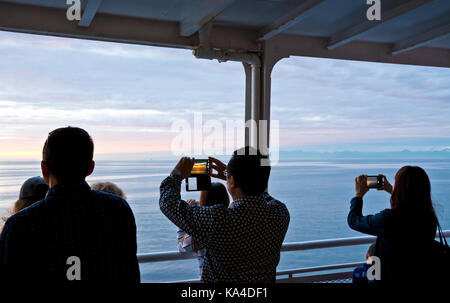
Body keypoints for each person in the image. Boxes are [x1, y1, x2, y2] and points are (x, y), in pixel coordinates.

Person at [0, 127, 140, 282]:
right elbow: (130, 274)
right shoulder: (119, 210)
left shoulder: (20, 225)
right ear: (90, 168)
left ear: (44, 168)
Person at [160, 147, 290, 283]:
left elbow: (168, 203)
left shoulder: (220, 220)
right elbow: (262, 194)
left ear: (232, 181)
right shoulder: (280, 213)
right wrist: (232, 178)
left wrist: (176, 175)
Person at [347, 166, 441, 282]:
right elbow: (411, 202)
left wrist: (358, 195)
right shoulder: (428, 218)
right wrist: (390, 189)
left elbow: (354, 221)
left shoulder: (389, 219)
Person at [177, 183, 230, 277]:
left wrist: (186, 219)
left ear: (203, 201)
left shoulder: (201, 229)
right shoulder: (235, 222)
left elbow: (182, 248)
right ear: (226, 199)